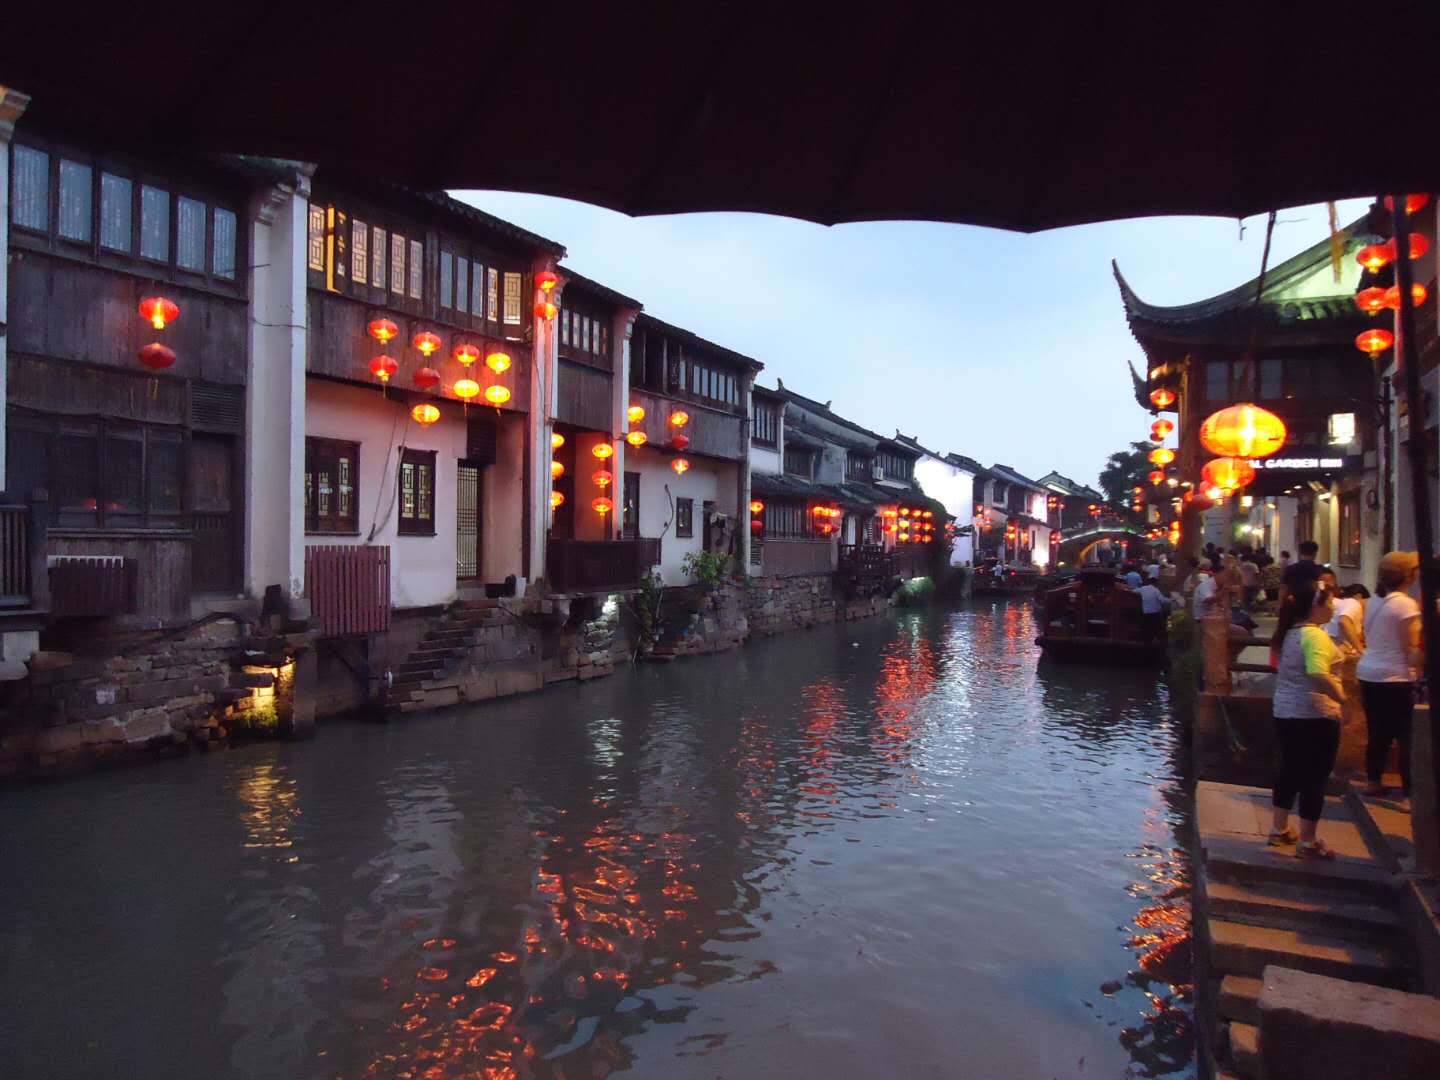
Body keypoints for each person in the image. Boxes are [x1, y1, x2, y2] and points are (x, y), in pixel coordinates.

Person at [1268, 579, 1345, 858]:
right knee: (1315, 776)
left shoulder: (1288, 633)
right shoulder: (1315, 636)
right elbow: (1317, 673)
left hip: (1285, 711)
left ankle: (1279, 829)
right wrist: (1342, 698)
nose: (1333, 607)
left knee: (1289, 770)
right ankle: (1308, 841)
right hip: (1315, 714)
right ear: (1316, 606)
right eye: (1330, 602)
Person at [1356, 551, 1423, 799]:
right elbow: (1411, 645)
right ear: (1409, 576)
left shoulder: (1375, 600)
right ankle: (1410, 794)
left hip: (1369, 671)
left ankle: (1373, 781)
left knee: (1378, 733)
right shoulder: (1405, 604)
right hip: (1396, 675)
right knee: (1406, 735)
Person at [1280, 540, 1321, 606]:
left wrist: (1280, 604)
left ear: (1300, 553)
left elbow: (1284, 588)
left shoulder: (1290, 569)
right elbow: (1321, 589)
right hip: (1312, 605)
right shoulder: (1319, 570)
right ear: (1315, 553)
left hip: (1292, 604)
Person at [1137, 574, 1172, 641]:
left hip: (1145, 612)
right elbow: (1162, 600)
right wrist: (1171, 600)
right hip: (1155, 613)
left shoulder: (1143, 588)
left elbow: (1134, 590)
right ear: (1156, 583)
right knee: (1157, 625)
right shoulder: (1156, 590)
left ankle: (1146, 639)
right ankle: (1157, 637)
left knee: (1146, 626)